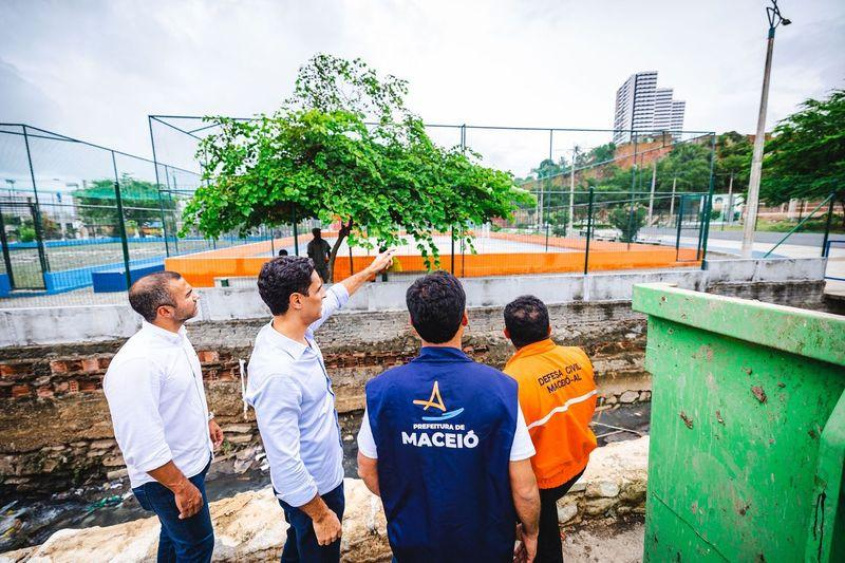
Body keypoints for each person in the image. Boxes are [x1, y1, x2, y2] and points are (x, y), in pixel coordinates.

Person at [356, 272, 541, 563]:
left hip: (413, 543)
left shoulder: (382, 390)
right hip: (484, 545)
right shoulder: (501, 389)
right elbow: (525, 486)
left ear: (413, 326)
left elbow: (367, 469)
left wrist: (407, 505)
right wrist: (530, 531)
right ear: (464, 318)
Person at [246, 250, 395, 563]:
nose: (324, 294)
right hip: (312, 493)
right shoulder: (279, 373)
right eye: (317, 290)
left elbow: (337, 297)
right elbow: (284, 463)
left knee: (297, 546)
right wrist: (321, 515)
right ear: (297, 300)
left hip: (320, 483)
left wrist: (370, 270)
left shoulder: (290, 330)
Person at [104, 271, 224, 563]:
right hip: (168, 479)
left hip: (188, 464)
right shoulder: (138, 363)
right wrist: (181, 487)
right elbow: (141, 442)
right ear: (164, 311)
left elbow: (185, 388)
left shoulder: (176, 336)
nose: (196, 296)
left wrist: (206, 417)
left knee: (175, 537)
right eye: (188, 294)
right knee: (197, 546)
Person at [502, 295, 598, 563]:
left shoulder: (511, 382)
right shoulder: (578, 356)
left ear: (507, 334)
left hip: (545, 479)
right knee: (542, 509)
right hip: (578, 463)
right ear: (549, 329)